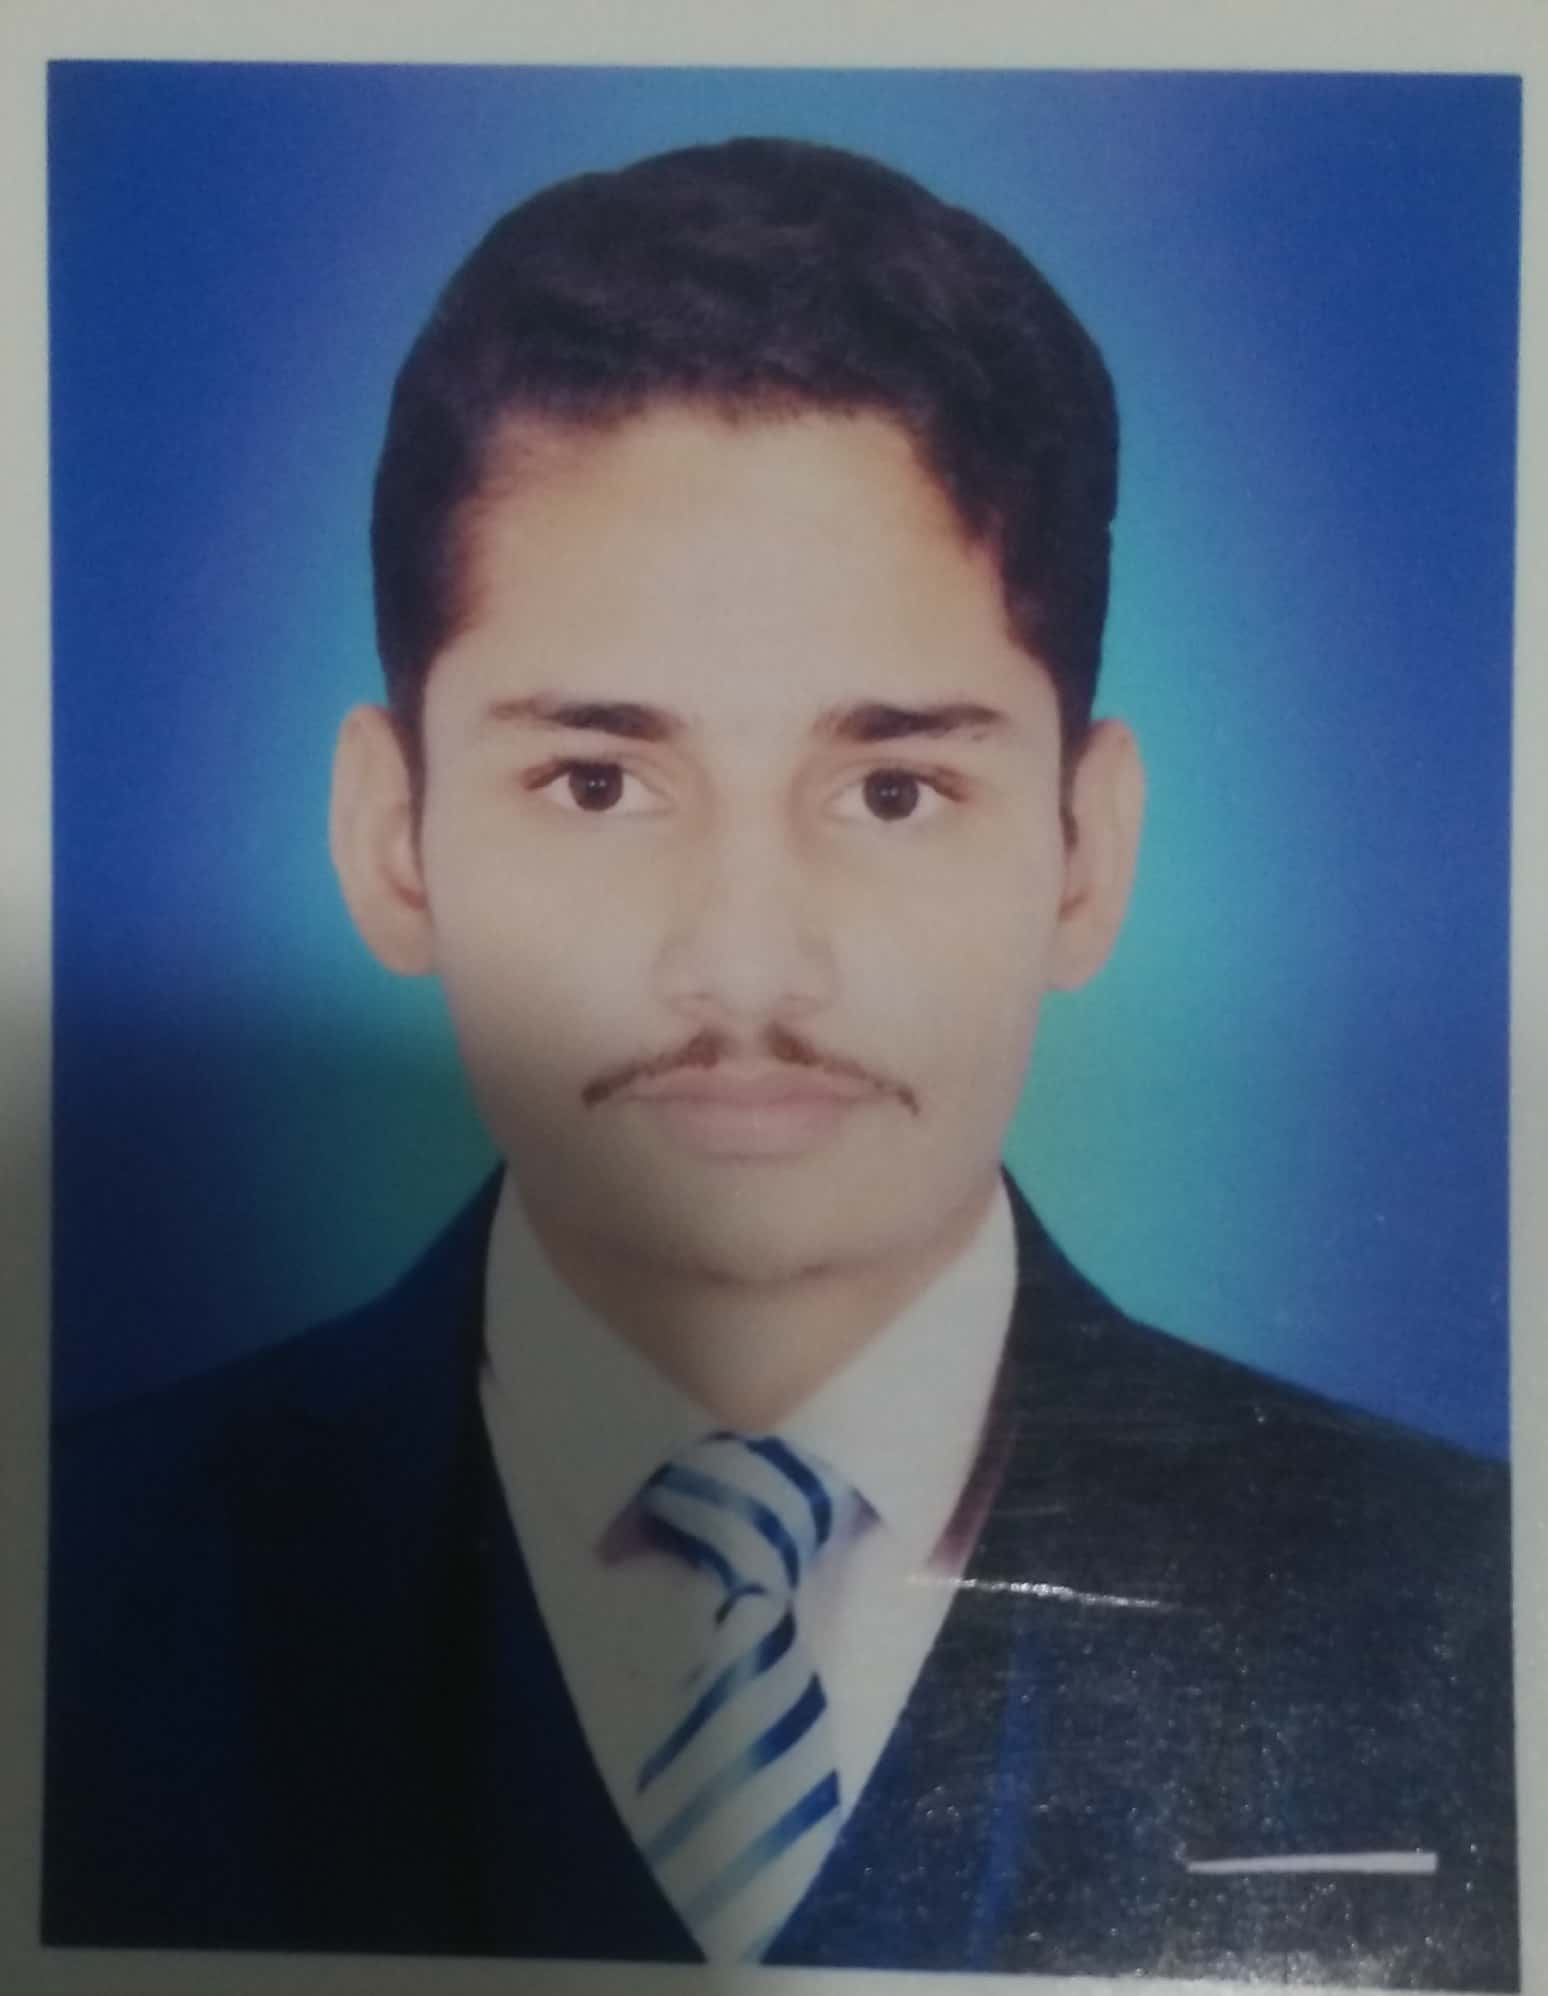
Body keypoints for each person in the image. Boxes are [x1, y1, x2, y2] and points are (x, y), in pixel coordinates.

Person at [44, 138, 1516, 1985]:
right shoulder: (66, 1583)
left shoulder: (1474, 1621)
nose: (746, 962)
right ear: (390, 836)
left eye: (894, 789)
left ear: (1086, 852)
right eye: (598, 782)